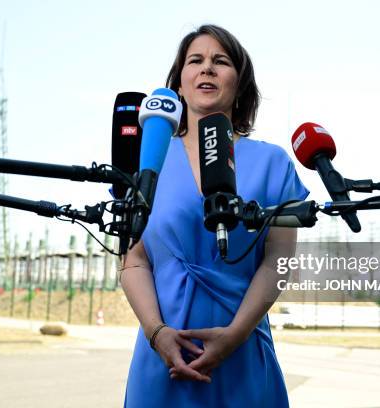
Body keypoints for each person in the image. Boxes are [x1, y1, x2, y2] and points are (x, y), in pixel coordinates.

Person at [121, 24, 309, 407]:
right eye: (196, 61)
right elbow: (133, 260)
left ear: (239, 84)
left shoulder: (273, 163)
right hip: (161, 359)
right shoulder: (147, 162)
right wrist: (158, 334)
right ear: (180, 81)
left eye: (220, 61)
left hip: (241, 356)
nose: (207, 68)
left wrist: (234, 335)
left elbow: (278, 260)